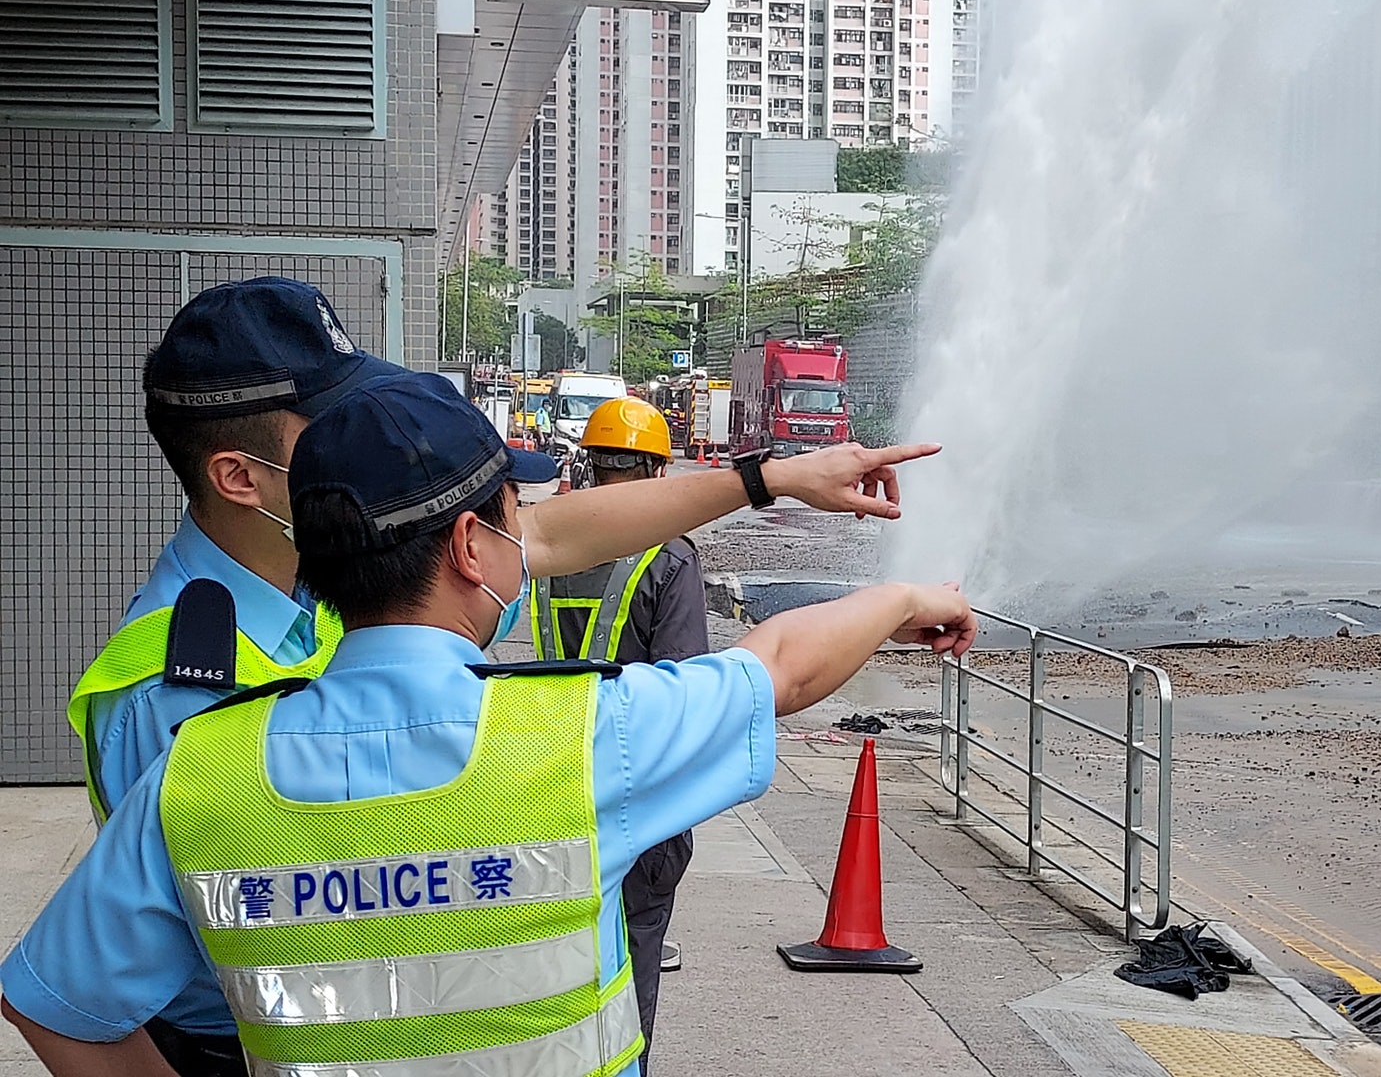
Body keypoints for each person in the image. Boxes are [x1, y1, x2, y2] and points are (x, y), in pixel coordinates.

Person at [64, 277, 939, 1069]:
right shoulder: (172, 694)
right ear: (238, 475)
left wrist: (768, 478)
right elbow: (129, 979)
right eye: (332, 427)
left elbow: (545, 535)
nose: (359, 445)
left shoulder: (338, 577)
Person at [530, 397, 700, 1065]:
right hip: (638, 804)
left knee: (556, 985)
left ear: (591, 465)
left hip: (553, 789)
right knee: (628, 990)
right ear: (657, 471)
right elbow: (685, 694)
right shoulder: (669, 559)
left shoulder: (553, 549)